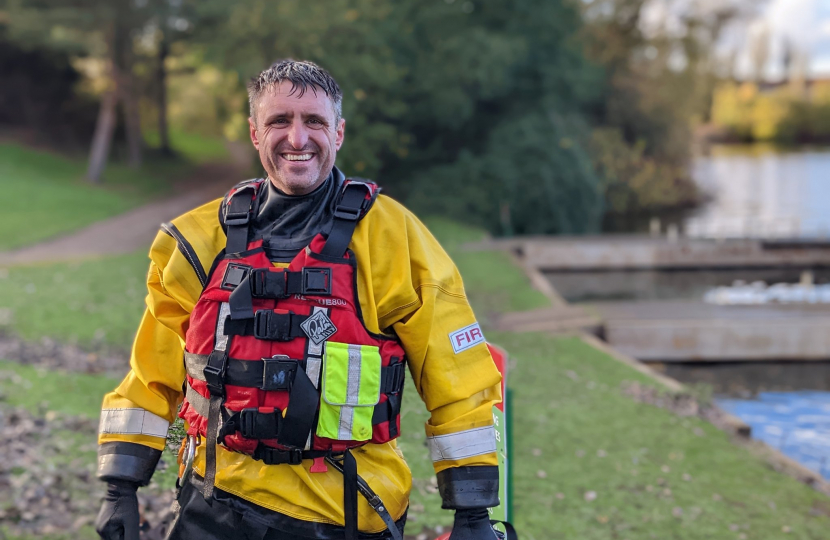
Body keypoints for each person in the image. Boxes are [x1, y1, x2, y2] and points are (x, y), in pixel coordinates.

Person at [94, 59, 503, 540]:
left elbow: (459, 381)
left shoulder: (396, 240)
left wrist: (473, 514)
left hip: (346, 510)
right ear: (253, 132)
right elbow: (150, 374)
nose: (297, 138)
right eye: (279, 121)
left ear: (340, 132)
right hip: (212, 502)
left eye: (314, 121)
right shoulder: (197, 241)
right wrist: (119, 487)